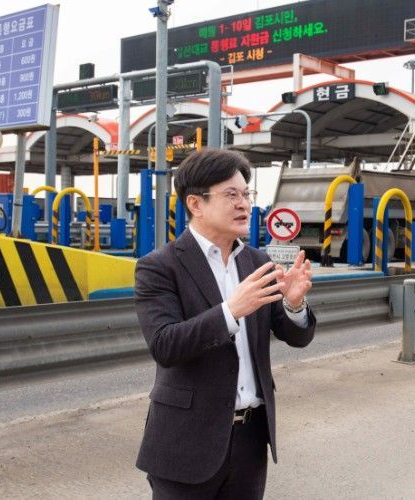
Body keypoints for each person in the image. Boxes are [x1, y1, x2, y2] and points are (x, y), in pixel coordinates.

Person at [134, 149, 316, 499]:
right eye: (231, 195)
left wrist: (294, 304)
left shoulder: (257, 262)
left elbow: (295, 336)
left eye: (246, 194)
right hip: (186, 440)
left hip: (250, 439)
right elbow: (165, 345)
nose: (243, 204)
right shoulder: (159, 266)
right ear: (195, 204)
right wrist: (230, 311)